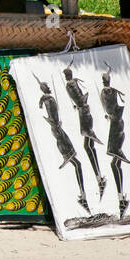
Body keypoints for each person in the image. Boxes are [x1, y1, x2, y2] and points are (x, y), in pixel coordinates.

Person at [39, 80, 89, 213]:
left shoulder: (48, 99)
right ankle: (83, 195)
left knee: (77, 164)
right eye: (46, 87)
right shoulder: (48, 100)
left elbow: (50, 111)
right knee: (77, 164)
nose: (49, 87)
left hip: (58, 129)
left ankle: (83, 195)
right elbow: (48, 110)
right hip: (58, 130)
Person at [63, 67, 105, 198]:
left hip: (84, 113)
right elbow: (80, 98)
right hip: (84, 112)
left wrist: (80, 102)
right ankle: (99, 179)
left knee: (88, 145)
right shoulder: (72, 83)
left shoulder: (70, 84)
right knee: (88, 146)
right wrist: (82, 100)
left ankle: (99, 179)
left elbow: (79, 99)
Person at [98, 71, 130, 219]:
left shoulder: (105, 92)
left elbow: (108, 108)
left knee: (115, 162)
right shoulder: (112, 92)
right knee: (115, 163)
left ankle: (121, 199)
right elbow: (111, 108)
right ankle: (121, 199)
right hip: (118, 126)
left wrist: (108, 114)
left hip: (116, 127)